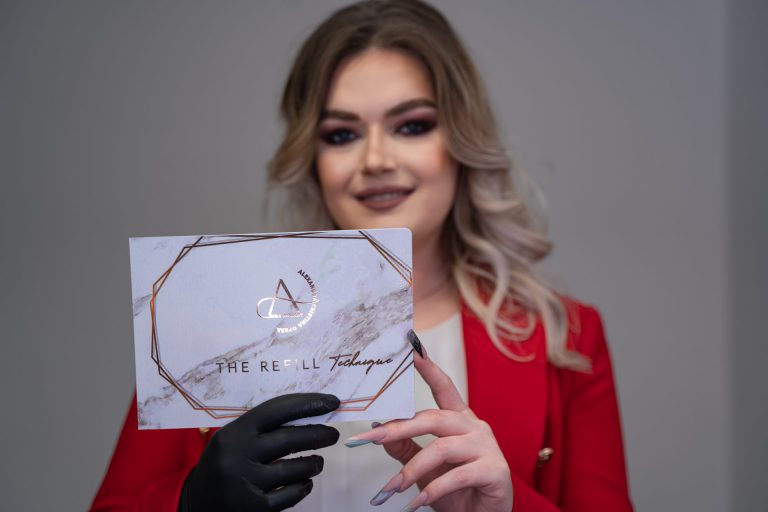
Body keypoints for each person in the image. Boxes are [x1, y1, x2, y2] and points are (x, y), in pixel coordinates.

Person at [91, 0, 634, 510]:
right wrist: (189, 502)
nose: (375, 159)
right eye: (341, 134)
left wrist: (504, 506)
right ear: (312, 158)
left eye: (412, 126)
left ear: (461, 141)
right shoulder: (209, 325)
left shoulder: (568, 337)